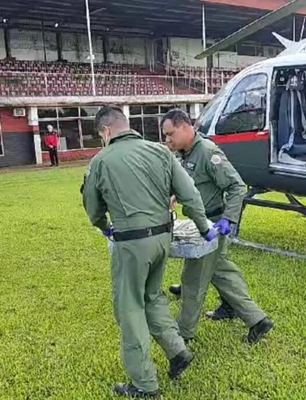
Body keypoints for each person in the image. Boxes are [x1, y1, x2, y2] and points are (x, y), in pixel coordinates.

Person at [81, 105, 222, 398]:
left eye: (100, 135)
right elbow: (190, 194)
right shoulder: (161, 152)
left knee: (130, 308)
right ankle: (177, 350)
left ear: (105, 131)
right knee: (153, 296)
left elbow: (93, 208)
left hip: (132, 243)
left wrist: (104, 226)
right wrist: (204, 227)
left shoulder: (101, 160)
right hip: (162, 239)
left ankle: (144, 385)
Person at [161, 108, 274, 345]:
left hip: (211, 226)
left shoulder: (208, 152)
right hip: (200, 222)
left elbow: (236, 186)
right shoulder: (186, 152)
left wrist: (228, 219)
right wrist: (174, 195)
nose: (167, 140)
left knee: (193, 279)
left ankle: (184, 334)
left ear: (184, 127)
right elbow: (192, 184)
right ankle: (253, 318)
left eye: (170, 134)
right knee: (221, 272)